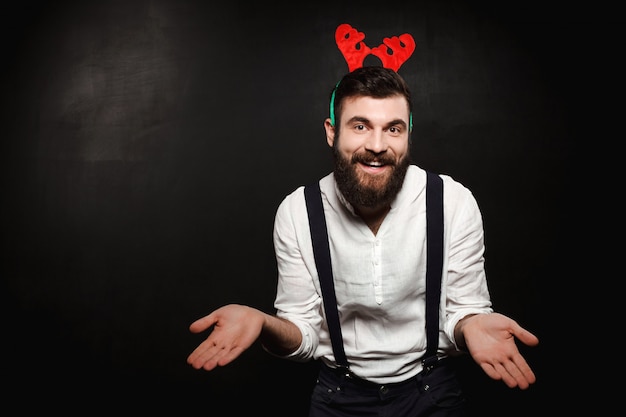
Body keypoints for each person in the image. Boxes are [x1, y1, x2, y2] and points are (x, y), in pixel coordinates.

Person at [187, 65, 539, 416]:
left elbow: (463, 311)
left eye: (393, 129)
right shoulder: (297, 212)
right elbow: (303, 335)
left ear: (408, 134)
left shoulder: (453, 201)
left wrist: (472, 323)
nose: (376, 145)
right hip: (338, 395)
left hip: (432, 390)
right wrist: (263, 323)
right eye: (360, 126)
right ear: (332, 132)